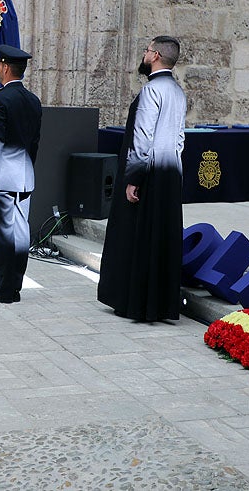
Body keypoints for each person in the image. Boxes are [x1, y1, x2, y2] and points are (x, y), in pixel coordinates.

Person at [98, 35, 187, 321]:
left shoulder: (152, 90)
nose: (144, 54)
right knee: (160, 237)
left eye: (147, 50)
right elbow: (180, 138)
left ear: (156, 56)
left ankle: (133, 302)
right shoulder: (177, 91)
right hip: (170, 173)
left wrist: (133, 178)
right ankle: (158, 304)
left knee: (136, 237)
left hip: (147, 174)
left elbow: (142, 137)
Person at [0, 44, 42, 304]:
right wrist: (26, 169)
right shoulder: (33, 100)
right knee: (20, 235)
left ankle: (2, 288)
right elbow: (34, 142)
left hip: (2, 177)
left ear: (4, 68)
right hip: (24, 175)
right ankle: (14, 287)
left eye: (0, 66)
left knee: (2, 235)